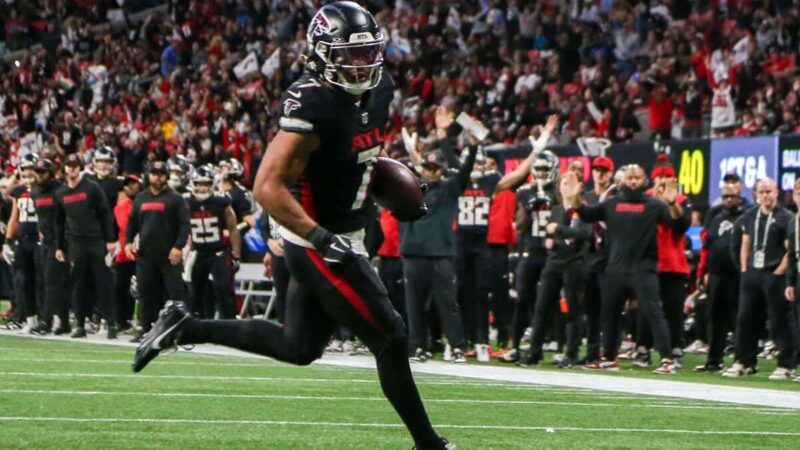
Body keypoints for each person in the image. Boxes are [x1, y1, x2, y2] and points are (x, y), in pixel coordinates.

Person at [132, 4, 455, 449]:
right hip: (317, 238)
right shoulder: (312, 104)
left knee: (299, 346)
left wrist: (395, 191)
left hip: (345, 229)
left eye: (367, 53)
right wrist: (321, 237)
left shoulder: (380, 90)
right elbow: (266, 186)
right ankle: (429, 445)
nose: (361, 65)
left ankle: (185, 326)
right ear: (321, 54)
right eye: (349, 55)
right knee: (392, 336)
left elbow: (355, 157)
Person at [560, 165, 684, 374]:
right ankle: (608, 357)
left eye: (638, 177)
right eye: (630, 178)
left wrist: (672, 204)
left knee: (654, 313)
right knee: (609, 314)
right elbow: (586, 214)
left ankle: (666, 359)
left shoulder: (654, 204)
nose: (634, 181)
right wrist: (574, 199)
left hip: (644, 269)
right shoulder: (612, 204)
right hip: (615, 269)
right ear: (623, 181)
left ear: (644, 180)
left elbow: (678, 224)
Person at [453, 114, 557, 359]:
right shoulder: (456, 180)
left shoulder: (492, 182)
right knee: (461, 293)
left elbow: (519, 173)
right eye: (474, 164)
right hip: (460, 245)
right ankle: (463, 340)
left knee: (482, 294)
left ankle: (480, 340)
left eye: (481, 164)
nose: (478, 168)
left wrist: (538, 146)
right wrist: (453, 136)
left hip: (483, 246)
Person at [401, 147, 475, 364]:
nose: (430, 171)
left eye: (434, 168)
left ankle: (457, 346)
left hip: (440, 254)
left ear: (442, 170)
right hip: (413, 253)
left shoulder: (449, 188)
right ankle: (417, 347)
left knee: (448, 303)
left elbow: (465, 172)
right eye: (427, 167)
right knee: (414, 304)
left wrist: (472, 148)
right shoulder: (410, 188)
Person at [519, 153, 592, 368]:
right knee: (542, 307)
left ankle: (571, 351)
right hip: (555, 262)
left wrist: (558, 231)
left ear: (579, 186)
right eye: (564, 183)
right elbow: (550, 239)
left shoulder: (583, 209)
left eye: (571, 183)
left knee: (573, 310)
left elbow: (583, 234)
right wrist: (556, 236)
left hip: (575, 264)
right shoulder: (557, 209)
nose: (566, 186)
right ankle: (535, 351)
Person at [723, 178, 796, 379]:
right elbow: (744, 243)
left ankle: (786, 364)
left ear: (776, 192)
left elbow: (790, 249)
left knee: (779, 320)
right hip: (752, 274)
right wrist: (745, 270)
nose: (765, 195)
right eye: (761, 191)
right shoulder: (749, 216)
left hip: (774, 273)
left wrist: (778, 272)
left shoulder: (785, 217)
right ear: (755, 194)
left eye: (769, 191)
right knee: (746, 318)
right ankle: (743, 361)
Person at [500, 151, 559, 363]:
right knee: (522, 298)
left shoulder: (559, 192)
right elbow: (520, 226)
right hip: (531, 250)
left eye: (545, 169)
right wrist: (528, 206)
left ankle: (556, 344)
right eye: (539, 169)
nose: (542, 173)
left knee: (552, 300)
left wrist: (553, 203)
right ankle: (514, 345)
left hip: (554, 253)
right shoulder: (525, 192)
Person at [54, 153, 118, 339]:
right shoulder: (61, 193)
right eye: (69, 165)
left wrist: (110, 239)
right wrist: (59, 246)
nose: (72, 168)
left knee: (103, 283)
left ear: (80, 167)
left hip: (96, 241)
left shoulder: (92, 188)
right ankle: (80, 324)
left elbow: (105, 214)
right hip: (75, 244)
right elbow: (58, 222)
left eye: (75, 165)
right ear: (64, 168)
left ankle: (111, 323)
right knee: (79, 285)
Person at [124, 160, 190, 336]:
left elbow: (185, 225)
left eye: (161, 175)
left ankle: (178, 330)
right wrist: (128, 242)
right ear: (148, 175)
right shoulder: (141, 197)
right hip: (146, 254)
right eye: (154, 174)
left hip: (169, 255)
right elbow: (132, 223)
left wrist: (178, 247)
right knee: (146, 293)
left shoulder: (176, 199)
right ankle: (146, 330)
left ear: (166, 176)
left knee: (175, 294)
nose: (157, 178)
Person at [694, 180, 747, 372]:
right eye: (726, 196)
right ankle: (714, 360)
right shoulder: (715, 218)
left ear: (740, 197)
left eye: (733, 196)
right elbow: (707, 248)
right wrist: (702, 272)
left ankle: (742, 360)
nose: (729, 200)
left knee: (737, 319)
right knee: (714, 318)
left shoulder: (746, 217)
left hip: (737, 276)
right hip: (716, 276)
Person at [186, 165, 241, 319]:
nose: (202, 188)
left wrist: (236, 254)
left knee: (224, 289)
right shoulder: (186, 202)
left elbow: (233, 228)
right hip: (197, 252)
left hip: (218, 253)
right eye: (198, 184)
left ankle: (230, 325)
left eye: (206, 184)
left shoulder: (221, 202)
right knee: (195, 292)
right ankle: (197, 325)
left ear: (212, 184)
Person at [579, 156, 616, 366]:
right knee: (591, 308)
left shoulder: (614, 197)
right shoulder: (587, 197)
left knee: (609, 307)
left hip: (609, 258)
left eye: (604, 171)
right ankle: (592, 350)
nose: (600, 174)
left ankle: (610, 350)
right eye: (597, 170)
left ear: (610, 173)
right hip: (590, 257)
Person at [30, 158, 70, 335]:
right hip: (45, 241)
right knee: (46, 282)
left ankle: (46, 321)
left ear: (50, 173)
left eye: (42, 172)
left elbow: (65, 219)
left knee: (52, 282)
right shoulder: (35, 192)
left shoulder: (60, 191)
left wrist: (62, 245)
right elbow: (41, 217)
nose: (39, 175)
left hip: (59, 242)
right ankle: (64, 322)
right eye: (37, 171)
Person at [5, 153, 44, 332]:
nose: (28, 173)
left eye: (31, 169)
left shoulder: (45, 189)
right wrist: (8, 240)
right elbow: (14, 217)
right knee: (23, 280)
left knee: (41, 280)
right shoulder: (19, 191)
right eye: (25, 169)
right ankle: (29, 318)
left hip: (39, 240)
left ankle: (44, 318)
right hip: (23, 239)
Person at [113, 174, 142, 333]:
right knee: (120, 287)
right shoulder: (121, 207)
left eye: (134, 184)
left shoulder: (145, 203)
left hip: (143, 252)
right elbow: (123, 227)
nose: (131, 187)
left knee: (142, 288)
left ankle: (141, 320)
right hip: (125, 252)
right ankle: (122, 320)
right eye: (128, 184)